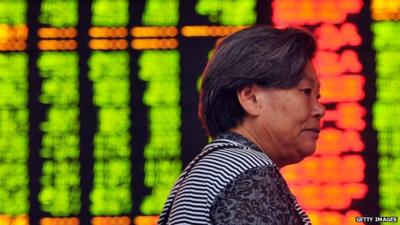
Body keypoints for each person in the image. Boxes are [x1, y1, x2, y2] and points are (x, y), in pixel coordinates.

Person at [158, 26, 325, 225]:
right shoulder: (248, 173)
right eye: (306, 91)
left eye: (318, 96)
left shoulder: (220, 169)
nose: (319, 110)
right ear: (251, 97)